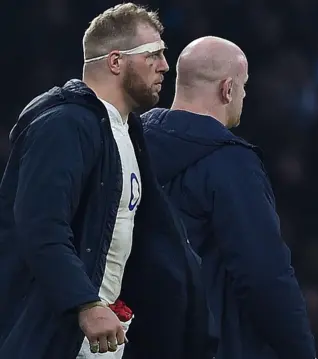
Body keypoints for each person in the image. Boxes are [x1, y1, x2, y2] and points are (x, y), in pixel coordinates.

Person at [0, 4, 213, 359]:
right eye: (154, 55)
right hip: (54, 335)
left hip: (99, 339)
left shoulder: (126, 133)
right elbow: (40, 225)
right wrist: (84, 303)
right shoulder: (63, 125)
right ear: (115, 62)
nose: (164, 66)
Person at [140, 36, 317, 359]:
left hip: (130, 338)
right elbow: (264, 274)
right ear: (228, 89)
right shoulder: (231, 163)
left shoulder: (127, 144)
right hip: (206, 343)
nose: (244, 94)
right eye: (243, 85)